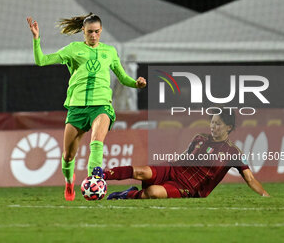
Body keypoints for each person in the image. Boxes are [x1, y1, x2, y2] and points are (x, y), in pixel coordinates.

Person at [26, 13, 147, 201]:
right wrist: (36, 39)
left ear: (101, 31)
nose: (93, 35)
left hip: (101, 105)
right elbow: (41, 60)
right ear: (83, 31)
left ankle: (94, 178)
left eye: (97, 32)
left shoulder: (110, 51)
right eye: (90, 32)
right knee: (68, 155)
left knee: (96, 141)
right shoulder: (73, 49)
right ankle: (69, 182)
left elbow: (122, 77)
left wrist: (136, 84)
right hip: (77, 108)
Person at [95, 109, 270, 199]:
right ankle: (100, 175)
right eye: (212, 122)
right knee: (141, 172)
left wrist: (265, 195)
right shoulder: (200, 138)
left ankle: (126, 195)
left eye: (218, 124)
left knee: (153, 193)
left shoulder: (233, 152)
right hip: (174, 170)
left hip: (190, 187)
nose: (213, 126)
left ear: (229, 127)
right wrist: (164, 170)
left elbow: (250, 179)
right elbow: (184, 157)